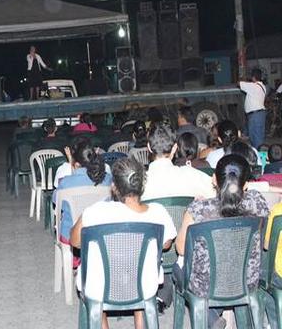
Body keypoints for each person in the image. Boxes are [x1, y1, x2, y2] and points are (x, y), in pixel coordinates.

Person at [70, 157, 177, 329]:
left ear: (114, 187)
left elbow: (75, 241)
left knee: (99, 276)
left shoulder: (95, 211)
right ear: (142, 185)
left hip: (100, 286)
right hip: (144, 284)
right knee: (139, 265)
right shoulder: (159, 212)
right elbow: (166, 244)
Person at [175, 154, 269, 328]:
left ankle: (210, 316)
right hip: (245, 278)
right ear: (246, 184)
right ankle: (213, 316)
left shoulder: (198, 209)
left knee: (178, 265)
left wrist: (190, 212)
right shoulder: (259, 202)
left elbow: (181, 249)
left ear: (213, 179)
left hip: (206, 284)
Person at [52, 139, 111, 245]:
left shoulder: (65, 183)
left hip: (70, 236)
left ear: (77, 164)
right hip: (101, 232)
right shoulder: (108, 179)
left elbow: (56, 201)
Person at [141, 122, 215, 200]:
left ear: (149, 147)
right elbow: (216, 195)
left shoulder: (138, 185)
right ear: (175, 148)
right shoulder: (192, 176)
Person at [239, 68, 267, 148]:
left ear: (253, 77)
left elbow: (239, 83)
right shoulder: (262, 86)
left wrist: (243, 78)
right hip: (259, 114)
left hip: (255, 116)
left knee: (256, 139)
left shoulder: (253, 86)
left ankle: (260, 157)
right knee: (258, 137)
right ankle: (260, 156)